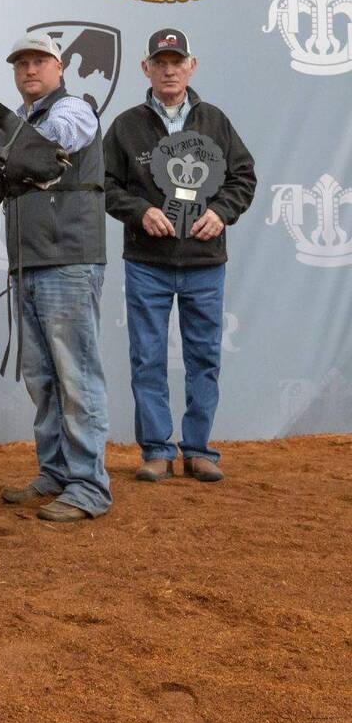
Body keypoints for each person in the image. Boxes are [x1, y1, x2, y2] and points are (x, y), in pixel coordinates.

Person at [102, 29, 256, 483]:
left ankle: (198, 449)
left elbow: (243, 178)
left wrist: (222, 213)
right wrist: (140, 210)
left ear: (192, 66)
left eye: (177, 61)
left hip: (205, 262)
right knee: (146, 357)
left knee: (204, 357)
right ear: (145, 68)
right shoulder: (126, 126)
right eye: (160, 61)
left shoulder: (216, 121)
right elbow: (106, 186)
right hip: (147, 262)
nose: (169, 69)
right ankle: (155, 450)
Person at [0, 32, 112, 523]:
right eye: (21, 63)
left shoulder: (75, 110)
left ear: (60, 66)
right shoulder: (18, 120)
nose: (29, 70)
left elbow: (56, 142)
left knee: (76, 376)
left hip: (69, 259)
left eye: (39, 61)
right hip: (27, 261)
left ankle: (89, 486)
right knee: (43, 378)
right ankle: (56, 471)